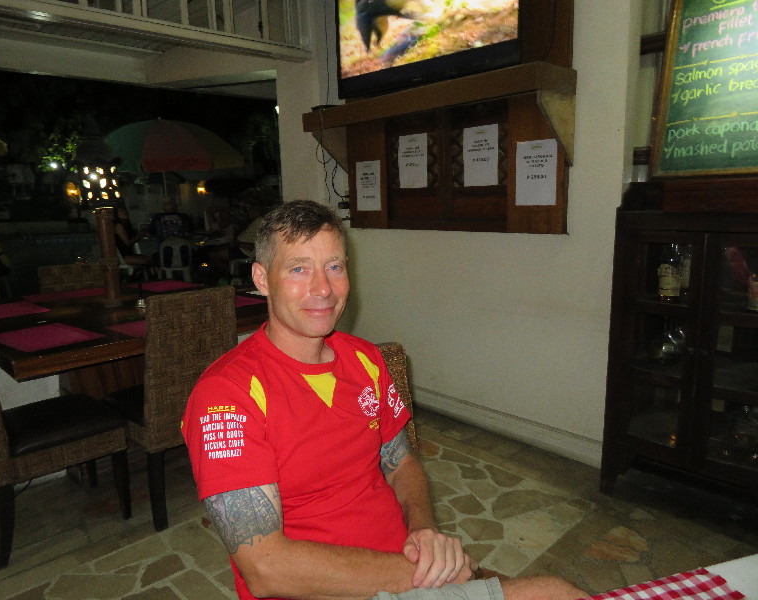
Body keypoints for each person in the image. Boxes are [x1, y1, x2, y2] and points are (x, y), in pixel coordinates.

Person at [182, 200, 586, 600]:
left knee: (558, 593)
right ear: (262, 278)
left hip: (406, 568)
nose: (323, 288)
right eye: (299, 268)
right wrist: (427, 576)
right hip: (329, 590)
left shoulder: (365, 359)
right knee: (554, 592)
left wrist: (423, 529)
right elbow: (266, 569)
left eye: (334, 267)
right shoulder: (226, 395)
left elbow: (401, 463)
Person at [113, 206, 154, 276]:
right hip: (123, 256)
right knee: (147, 261)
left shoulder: (126, 225)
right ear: (116, 215)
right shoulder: (119, 226)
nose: (124, 213)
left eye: (125, 211)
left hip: (129, 253)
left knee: (151, 259)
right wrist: (138, 236)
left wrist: (143, 233)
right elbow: (128, 242)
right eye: (121, 211)